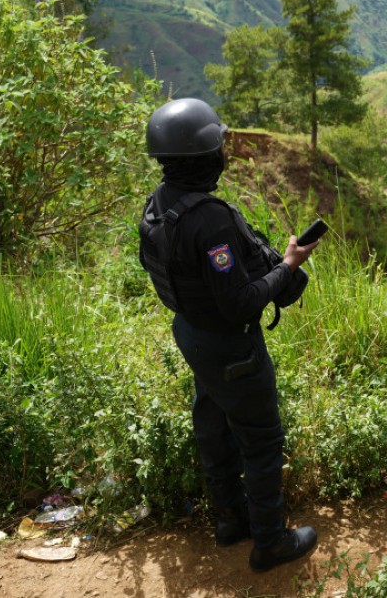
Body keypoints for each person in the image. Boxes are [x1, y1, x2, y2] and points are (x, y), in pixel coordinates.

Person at [137, 98, 319, 572]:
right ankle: (270, 543)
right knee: (260, 439)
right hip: (230, 344)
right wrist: (288, 266)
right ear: (207, 156)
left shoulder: (160, 203)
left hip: (191, 334)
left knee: (214, 426)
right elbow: (240, 301)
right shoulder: (211, 218)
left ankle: (230, 521)